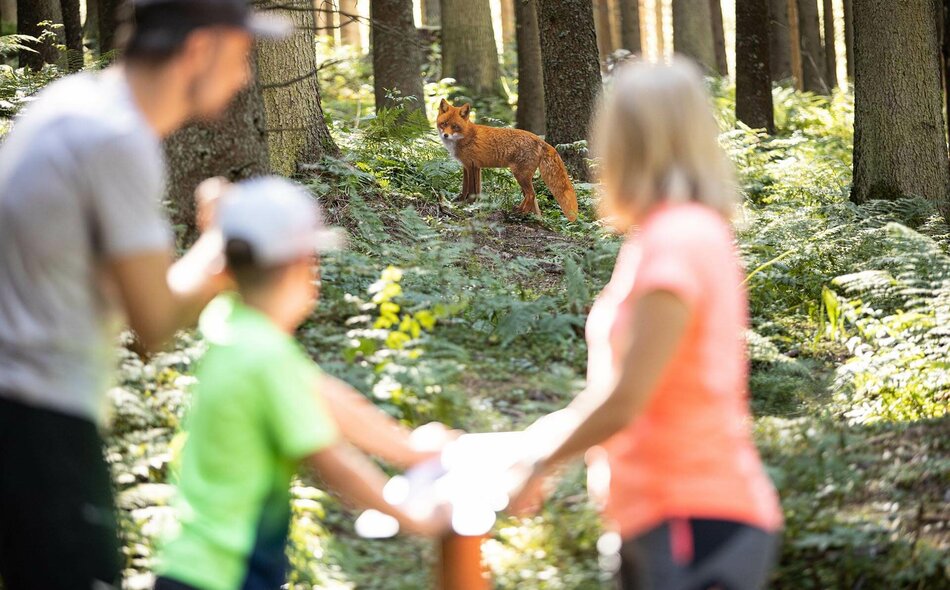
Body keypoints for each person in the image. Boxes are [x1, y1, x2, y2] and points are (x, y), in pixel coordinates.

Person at [0, 1, 290, 588]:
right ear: (198, 50)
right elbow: (154, 321)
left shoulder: (76, 104)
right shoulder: (117, 138)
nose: (245, 76)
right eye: (239, 56)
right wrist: (220, 248)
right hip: (33, 415)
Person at [508, 59, 784, 590]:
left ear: (629, 142)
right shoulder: (676, 231)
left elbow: (629, 397)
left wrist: (541, 463)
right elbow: (629, 390)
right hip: (666, 514)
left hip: (689, 516)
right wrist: (537, 439)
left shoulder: (676, 239)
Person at [152, 177, 449, 590]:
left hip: (192, 564)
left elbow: (321, 393)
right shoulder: (264, 355)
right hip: (227, 574)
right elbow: (332, 459)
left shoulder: (230, 323)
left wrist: (408, 449)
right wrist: (417, 520)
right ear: (301, 265)